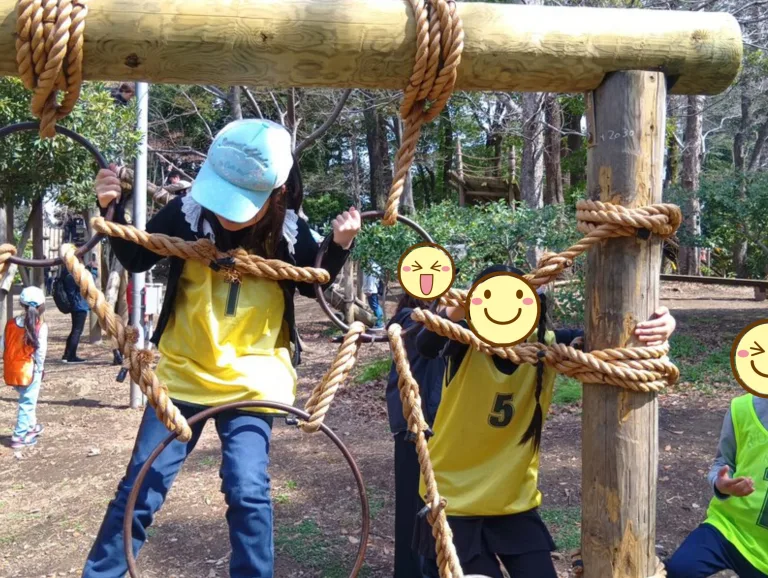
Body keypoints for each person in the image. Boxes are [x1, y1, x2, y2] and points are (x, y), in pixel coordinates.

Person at [82, 118, 361, 578]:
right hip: (182, 373)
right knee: (140, 486)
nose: (228, 212)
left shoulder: (289, 231)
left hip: (255, 378)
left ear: (276, 193)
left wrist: (339, 244)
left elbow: (314, 283)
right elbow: (136, 255)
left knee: (247, 490)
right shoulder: (188, 212)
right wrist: (111, 209)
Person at [413, 264, 677, 578]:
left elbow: (616, 343)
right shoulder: (465, 342)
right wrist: (460, 307)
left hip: (512, 502)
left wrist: (663, 323)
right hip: (452, 500)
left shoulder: (548, 346)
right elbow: (426, 344)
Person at [665, 393, 768, 578]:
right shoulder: (743, 408)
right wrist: (721, 484)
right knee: (680, 570)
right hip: (730, 527)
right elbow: (723, 462)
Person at [386, 294, 445, 577]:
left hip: (438, 423)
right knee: (412, 505)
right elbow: (428, 334)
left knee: (434, 500)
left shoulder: (442, 321)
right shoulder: (407, 320)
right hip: (413, 425)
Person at [5, 286, 48, 450]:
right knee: (27, 403)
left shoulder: (10, 324)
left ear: (21, 304)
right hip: (29, 371)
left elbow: (4, 345)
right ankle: (19, 436)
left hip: (12, 370)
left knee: (27, 399)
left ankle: (31, 427)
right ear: (41, 306)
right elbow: (40, 352)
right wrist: (40, 368)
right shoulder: (40, 326)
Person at [62, 257, 96, 364]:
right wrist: (94, 270)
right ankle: (71, 356)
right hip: (80, 305)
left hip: (75, 304)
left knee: (74, 330)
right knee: (77, 331)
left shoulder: (67, 273)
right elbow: (89, 281)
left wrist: (87, 268)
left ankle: (67, 354)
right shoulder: (73, 276)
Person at [364, 263, 384, 328]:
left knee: (375, 307)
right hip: (373, 289)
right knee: (376, 306)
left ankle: (379, 323)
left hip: (371, 290)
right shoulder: (376, 265)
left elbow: (371, 279)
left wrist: (369, 290)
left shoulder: (371, 266)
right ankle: (379, 322)